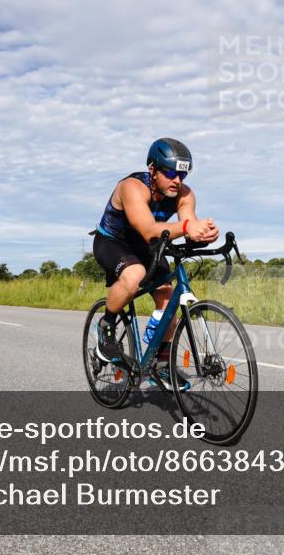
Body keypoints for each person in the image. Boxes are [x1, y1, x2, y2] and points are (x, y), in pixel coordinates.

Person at [92, 138, 218, 391]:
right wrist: (187, 227)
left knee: (169, 298)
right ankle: (106, 325)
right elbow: (149, 229)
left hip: (148, 246)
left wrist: (202, 234)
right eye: (171, 173)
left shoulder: (185, 194)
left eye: (182, 174)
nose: (177, 180)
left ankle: (160, 364)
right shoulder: (132, 187)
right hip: (113, 242)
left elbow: (187, 223)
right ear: (153, 170)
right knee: (134, 275)